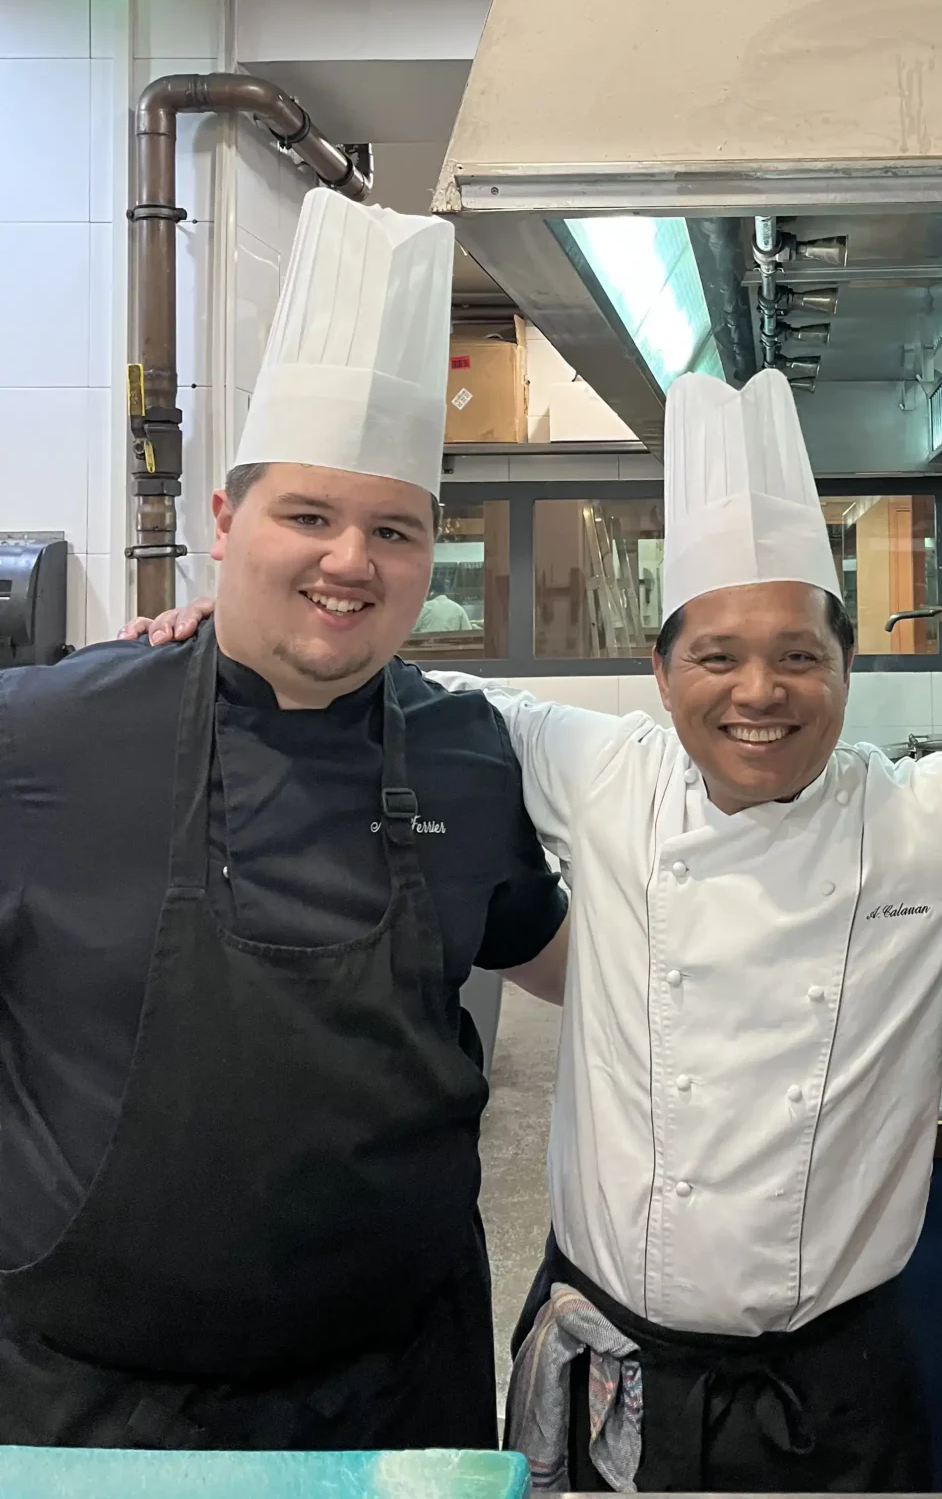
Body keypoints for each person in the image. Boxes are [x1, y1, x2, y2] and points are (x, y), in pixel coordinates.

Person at [140, 366, 942, 1492]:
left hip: (841, 1382)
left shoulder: (938, 816)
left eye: (798, 658)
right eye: (716, 655)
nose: (758, 692)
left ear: (847, 673)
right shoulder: (594, 768)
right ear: (660, 673)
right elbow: (377, 672)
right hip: (612, 1367)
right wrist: (233, 631)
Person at [0, 189, 568, 1450]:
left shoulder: (471, 751)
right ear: (222, 522)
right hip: (91, 1410)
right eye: (307, 515)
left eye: (393, 528)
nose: (348, 559)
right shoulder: (43, 739)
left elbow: (566, 956)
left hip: (396, 1397)